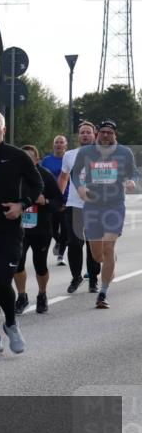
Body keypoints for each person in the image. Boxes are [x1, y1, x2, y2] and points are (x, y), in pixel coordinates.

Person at [0, 111, 42, 358]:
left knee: (3, 281)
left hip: (9, 232)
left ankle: (11, 324)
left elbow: (37, 184)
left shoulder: (17, 156)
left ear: (3, 129)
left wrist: (21, 205)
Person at [70, 119, 139, 308]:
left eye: (110, 132)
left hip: (114, 205)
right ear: (98, 133)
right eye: (103, 132)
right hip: (92, 206)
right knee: (97, 256)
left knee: (108, 246)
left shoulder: (124, 152)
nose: (106, 135)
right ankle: (110, 261)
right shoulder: (86, 152)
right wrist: (80, 189)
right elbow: (75, 174)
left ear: (114, 135)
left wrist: (132, 182)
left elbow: (133, 173)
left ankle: (103, 293)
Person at [14, 145, 64, 314]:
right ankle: (21, 296)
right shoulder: (13, 175)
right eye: (23, 157)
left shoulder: (45, 176)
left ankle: (42, 295)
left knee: (40, 265)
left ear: (37, 160)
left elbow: (59, 202)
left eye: (30, 157)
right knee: (17, 263)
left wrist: (46, 202)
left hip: (41, 228)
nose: (27, 160)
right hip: (18, 229)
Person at [58, 122, 102, 293]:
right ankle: (76, 276)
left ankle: (93, 278)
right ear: (78, 136)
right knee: (74, 243)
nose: (85, 135)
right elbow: (63, 177)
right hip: (74, 205)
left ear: (94, 135)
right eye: (82, 132)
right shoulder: (69, 155)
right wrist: (58, 198)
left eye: (88, 132)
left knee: (93, 243)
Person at [40, 135, 69, 265]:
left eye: (61, 142)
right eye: (56, 142)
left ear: (65, 145)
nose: (58, 144)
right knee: (51, 228)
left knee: (65, 229)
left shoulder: (69, 159)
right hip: (51, 198)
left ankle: (61, 255)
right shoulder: (46, 160)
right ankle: (57, 241)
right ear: (53, 145)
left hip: (67, 198)